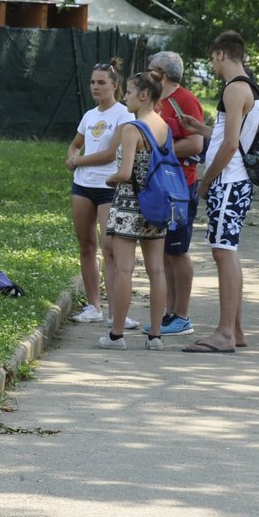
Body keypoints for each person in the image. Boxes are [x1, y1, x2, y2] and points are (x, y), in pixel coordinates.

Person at [179, 31, 259, 354]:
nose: (212, 65)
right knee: (224, 250)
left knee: (224, 253)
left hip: (228, 182)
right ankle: (235, 329)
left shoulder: (234, 89)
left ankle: (225, 333)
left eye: (212, 59)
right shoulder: (248, 86)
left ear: (220, 55)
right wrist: (200, 129)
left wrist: (205, 181)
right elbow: (233, 136)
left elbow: (230, 146)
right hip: (234, 181)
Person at [98, 68, 173, 349]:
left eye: (128, 92)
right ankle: (155, 335)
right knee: (157, 270)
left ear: (143, 95)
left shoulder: (132, 128)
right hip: (157, 205)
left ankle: (117, 334)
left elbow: (125, 171)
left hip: (129, 204)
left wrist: (112, 177)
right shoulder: (164, 126)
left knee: (123, 270)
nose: (125, 97)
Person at [64, 60, 133, 326]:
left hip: (109, 187)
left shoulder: (124, 115)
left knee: (110, 248)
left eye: (102, 82)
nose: (96, 86)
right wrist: (72, 156)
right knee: (86, 245)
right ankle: (94, 305)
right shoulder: (89, 115)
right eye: (93, 82)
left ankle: (118, 312)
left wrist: (77, 161)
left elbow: (108, 155)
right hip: (82, 187)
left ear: (115, 85)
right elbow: (75, 144)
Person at [148, 50, 205, 336]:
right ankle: (169, 312)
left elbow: (195, 144)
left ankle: (182, 314)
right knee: (166, 253)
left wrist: (161, 152)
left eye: (150, 69)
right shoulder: (156, 100)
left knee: (178, 251)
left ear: (162, 71)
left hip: (181, 184)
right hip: (159, 185)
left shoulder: (185, 100)